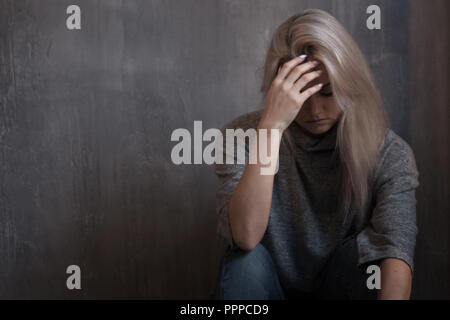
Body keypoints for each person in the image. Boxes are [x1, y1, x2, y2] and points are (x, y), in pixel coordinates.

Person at [213, 9, 419, 300]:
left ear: (349, 85)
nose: (315, 111)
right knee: (243, 262)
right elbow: (245, 236)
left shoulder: (388, 151)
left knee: (371, 259)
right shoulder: (240, 135)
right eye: (301, 94)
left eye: (327, 92)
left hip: (341, 285)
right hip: (267, 289)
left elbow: (396, 250)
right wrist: (271, 127)